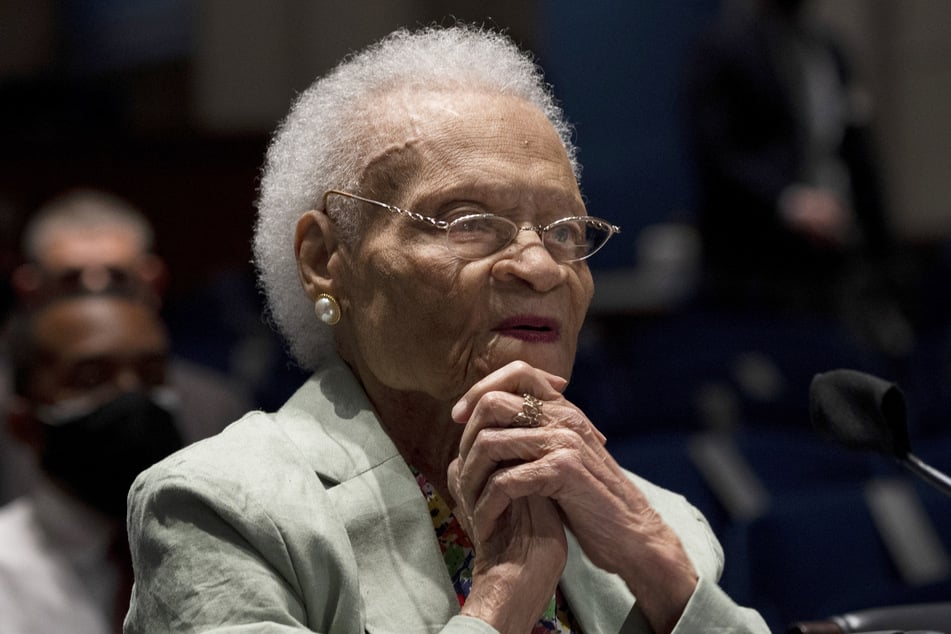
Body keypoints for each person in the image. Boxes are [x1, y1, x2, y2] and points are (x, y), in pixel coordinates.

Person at [125, 25, 769, 633]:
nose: (542, 267)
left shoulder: (664, 526)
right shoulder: (224, 507)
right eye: (468, 221)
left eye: (565, 230)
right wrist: (498, 601)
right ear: (325, 260)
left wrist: (657, 566)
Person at [682, 0, 911, 354]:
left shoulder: (829, 50)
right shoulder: (723, 47)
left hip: (833, 259)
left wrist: (885, 254)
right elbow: (716, 153)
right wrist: (789, 201)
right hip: (756, 268)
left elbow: (857, 151)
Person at [0, 188, 252, 504]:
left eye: (117, 279)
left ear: (152, 283)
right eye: (71, 281)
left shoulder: (216, 407)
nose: (96, 296)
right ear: (30, 291)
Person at [0, 291, 184, 633]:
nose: (131, 395)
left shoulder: (220, 544)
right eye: (91, 378)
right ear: (22, 424)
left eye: (151, 373)